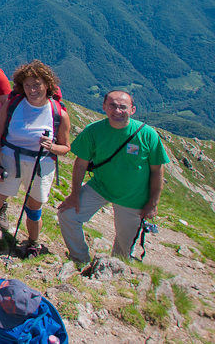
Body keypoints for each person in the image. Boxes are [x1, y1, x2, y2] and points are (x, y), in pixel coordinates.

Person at [57, 90, 168, 265]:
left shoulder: (147, 135)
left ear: (133, 110)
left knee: (123, 247)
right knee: (68, 215)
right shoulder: (94, 131)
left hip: (134, 197)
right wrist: (75, 195)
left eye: (123, 107)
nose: (117, 111)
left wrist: (152, 203)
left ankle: (114, 271)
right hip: (100, 187)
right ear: (104, 107)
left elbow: (157, 171)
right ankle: (80, 260)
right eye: (112, 106)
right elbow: (80, 163)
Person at [0, 60, 70, 254]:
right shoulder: (12, 105)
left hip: (41, 164)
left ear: (47, 85)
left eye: (37, 84)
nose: (32, 89)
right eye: (27, 85)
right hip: (10, 160)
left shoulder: (58, 113)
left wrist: (52, 147)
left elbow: (66, 147)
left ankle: (33, 242)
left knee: (34, 207)